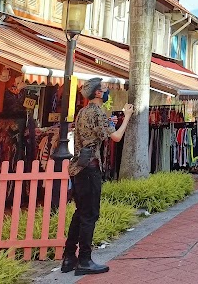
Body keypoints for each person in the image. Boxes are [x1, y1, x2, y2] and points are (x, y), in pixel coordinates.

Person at [62, 79, 133, 276]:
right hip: (90, 168)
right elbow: (116, 137)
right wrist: (126, 116)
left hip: (78, 168)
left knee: (80, 213)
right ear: (98, 94)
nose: (107, 90)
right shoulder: (98, 112)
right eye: (104, 88)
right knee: (89, 215)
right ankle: (84, 260)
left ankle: (69, 257)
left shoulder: (83, 112)